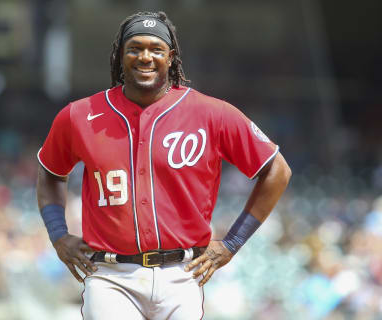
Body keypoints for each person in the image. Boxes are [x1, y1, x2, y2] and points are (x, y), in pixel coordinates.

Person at [36, 11, 291, 320]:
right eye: (135, 48)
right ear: (120, 55)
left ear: (171, 57)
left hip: (182, 274)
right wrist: (58, 234)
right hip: (111, 275)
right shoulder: (78, 115)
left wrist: (232, 242)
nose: (145, 57)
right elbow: (50, 173)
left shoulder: (212, 113)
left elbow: (277, 171)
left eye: (156, 49)